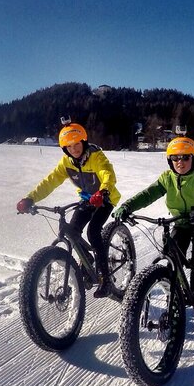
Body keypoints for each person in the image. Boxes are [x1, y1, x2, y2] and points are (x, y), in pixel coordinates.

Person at [16, 122, 119, 298]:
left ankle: (106, 279)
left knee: (93, 232)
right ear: (64, 149)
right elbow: (50, 181)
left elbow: (106, 173)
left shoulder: (96, 156)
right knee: (72, 231)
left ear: (84, 142)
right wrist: (30, 198)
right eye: (69, 146)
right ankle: (88, 259)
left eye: (77, 144)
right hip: (87, 200)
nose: (74, 149)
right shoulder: (66, 162)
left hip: (105, 199)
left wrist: (104, 191)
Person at [113, 136, 194, 283]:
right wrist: (128, 206)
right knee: (173, 253)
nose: (180, 162)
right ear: (169, 160)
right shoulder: (167, 178)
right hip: (181, 221)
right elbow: (149, 194)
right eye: (175, 158)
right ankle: (175, 289)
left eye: (185, 157)